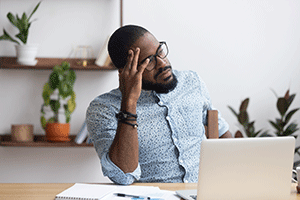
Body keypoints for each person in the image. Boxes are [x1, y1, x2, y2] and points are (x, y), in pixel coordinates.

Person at [86, 25, 232, 185]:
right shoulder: (103, 109)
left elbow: (220, 130)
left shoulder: (191, 82)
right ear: (125, 71)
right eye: (148, 61)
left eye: (160, 51)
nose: (162, 63)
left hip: (204, 192)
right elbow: (123, 176)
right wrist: (129, 102)